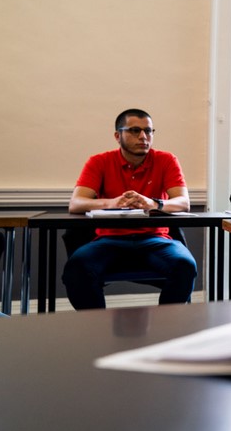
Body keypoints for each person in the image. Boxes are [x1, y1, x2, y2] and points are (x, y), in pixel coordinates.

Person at [62, 109, 197, 309]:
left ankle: (167, 328)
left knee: (185, 265)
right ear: (118, 136)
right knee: (77, 267)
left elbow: (183, 203)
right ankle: (95, 329)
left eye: (148, 131)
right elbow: (76, 204)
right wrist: (112, 202)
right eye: (135, 131)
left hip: (155, 240)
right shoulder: (99, 161)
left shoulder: (166, 160)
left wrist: (155, 204)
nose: (143, 137)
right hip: (109, 240)